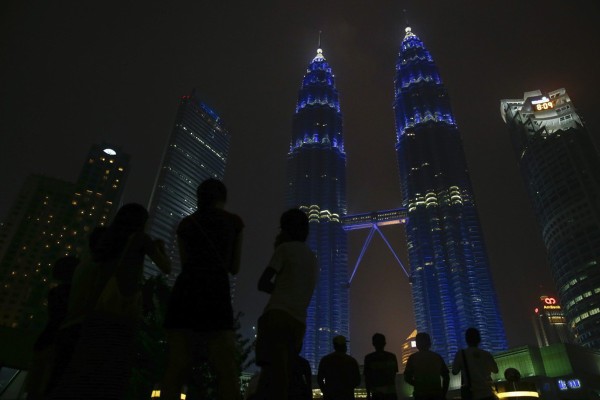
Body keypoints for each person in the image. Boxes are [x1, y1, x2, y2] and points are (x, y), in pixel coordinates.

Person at [49, 203, 171, 399]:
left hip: (95, 313)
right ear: (141, 222)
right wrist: (161, 249)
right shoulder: (140, 239)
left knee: (85, 371)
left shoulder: (107, 240)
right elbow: (166, 267)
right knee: (113, 373)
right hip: (121, 313)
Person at [161, 179, 244, 400]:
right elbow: (234, 268)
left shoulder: (186, 224)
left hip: (185, 291)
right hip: (216, 292)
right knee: (226, 369)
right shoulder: (234, 223)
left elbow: (185, 262)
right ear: (223, 198)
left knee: (176, 367)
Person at [254, 208, 318, 400]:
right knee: (283, 375)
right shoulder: (313, 258)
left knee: (269, 373)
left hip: (276, 316)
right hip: (298, 324)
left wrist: (280, 289)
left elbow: (262, 283)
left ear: (286, 230)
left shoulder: (284, 249)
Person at [25, 256, 78, 400]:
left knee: (37, 387)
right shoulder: (69, 294)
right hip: (55, 345)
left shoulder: (57, 293)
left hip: (47, 343)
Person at [452, 328, 499, 400]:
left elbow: (454, 372)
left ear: (466, 339)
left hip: (471, 394)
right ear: (479, 339)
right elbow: (495, 370)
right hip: (488, 393)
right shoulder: (486, 354)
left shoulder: (461, 354)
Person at [404, 332, 449, 400]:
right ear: (429, 343)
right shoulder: (437, 357)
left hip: (420, 394)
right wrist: (443, 394)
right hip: (436, 394)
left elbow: (407, 377)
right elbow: (446, 377)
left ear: (417, 344)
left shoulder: (412, 358)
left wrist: (418, 385)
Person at [317, 335, 361, 400]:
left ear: (334, 346)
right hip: (347, 396)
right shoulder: (351, 361)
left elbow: (319, 379)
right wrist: (348, 388)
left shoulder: (325, 360)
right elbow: (357, 380)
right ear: (344, 346)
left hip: (330, 396)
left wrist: (325, 391)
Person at [364, 333, 399, 400]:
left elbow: (367, 378)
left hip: (376, 394)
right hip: (390, 393)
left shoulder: (369, 358)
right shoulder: (391, 357)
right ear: (385, 343)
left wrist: (368, 395)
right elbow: (393, 375)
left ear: (373, 343)